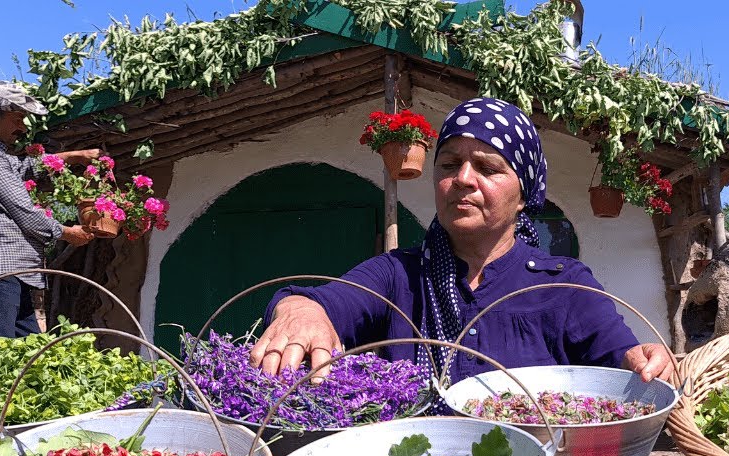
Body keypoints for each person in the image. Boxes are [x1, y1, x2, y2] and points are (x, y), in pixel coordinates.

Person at [251, 97, 673, 391]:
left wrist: (649, 359)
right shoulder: (399, 275)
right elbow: (321, 301)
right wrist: (300, 310)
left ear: (524, 195)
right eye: (450, 164)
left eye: (487, 168)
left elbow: (624, 361)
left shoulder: (563, 286)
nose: (463, 179)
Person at [0, 79, 101, 344]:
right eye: (17, 119)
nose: (23, 127)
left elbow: (22, 168)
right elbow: (24, 211)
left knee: (23, 360)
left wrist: (73, 156)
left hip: (9, 269)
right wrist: (65, 233)